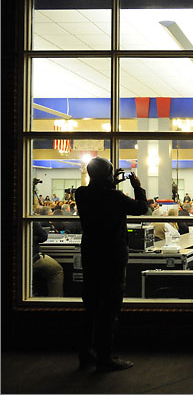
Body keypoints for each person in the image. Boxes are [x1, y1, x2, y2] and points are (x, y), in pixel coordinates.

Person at [75, 157, 148, 372]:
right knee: (109, 308)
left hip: (91, 254)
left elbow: (99, 193)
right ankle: (105, 358)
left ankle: (85, 354)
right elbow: (141, 208)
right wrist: (138, 187)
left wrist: (109, 180)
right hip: (112, 257)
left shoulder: (81, 194)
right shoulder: (115, 197)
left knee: (90, 307)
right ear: (107, 176)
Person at [32, 221, 64, 297]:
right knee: (57, 270)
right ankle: (55, 302)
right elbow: (44, 237)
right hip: (31, 258)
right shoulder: (33, 222)